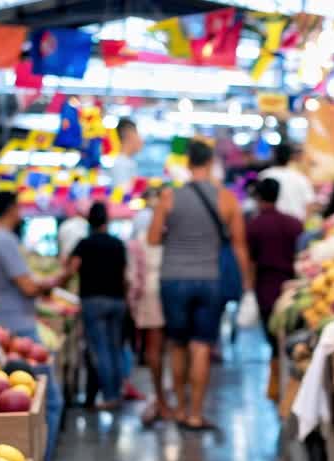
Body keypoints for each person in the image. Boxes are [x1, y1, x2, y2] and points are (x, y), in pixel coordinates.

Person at [147, 139, 253, 431]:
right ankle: (195, 413)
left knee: (177, 345)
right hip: (210, 278)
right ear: (210, 163)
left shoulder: (169, 197)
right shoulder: (227, 198)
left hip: (172, 278)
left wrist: (177, 237)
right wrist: (246, 282)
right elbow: (240, 245)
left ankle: (179, 409)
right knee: (201, 346)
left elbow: (153, 238)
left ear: (187, 163)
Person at [0, 191, 66, 461]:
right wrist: (58, 279)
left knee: (14, 405)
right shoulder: (4, 240)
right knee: (50, 401)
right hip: (18, 329)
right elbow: (28, 286)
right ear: (12, 209)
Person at [67, 203, 129, 410]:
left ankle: (109, 396)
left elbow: (72, 269)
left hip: (93, 300)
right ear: (107, 220)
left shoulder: (84, 244)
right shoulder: (118, 244)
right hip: (117, 300)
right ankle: (118, 392)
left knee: (100, 349)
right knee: (115, 348)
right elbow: (125, 275)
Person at [247, 178, 303, 401]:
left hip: (265, 286)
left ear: (259, 198)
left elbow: (250, 261)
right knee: (290, 337)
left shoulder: (255, 226)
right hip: (290, 287)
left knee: (271, 337)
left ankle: (275, 388)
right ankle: (286, 390)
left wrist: (249, 288)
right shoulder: (294, 223)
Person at [127, 190, 170, 424]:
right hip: (169, 293)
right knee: (172, 347)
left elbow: (133, 277)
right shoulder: (170, 238)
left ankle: (161, 397)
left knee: (154, 348)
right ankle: (165, 399)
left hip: (149, 297)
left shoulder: (140, 241)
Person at [258, 144, 314, 223]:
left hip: (269, 225)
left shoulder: (263, 176)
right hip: (295, 226)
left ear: (274, 156)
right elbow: (309, 205)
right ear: (291, 157)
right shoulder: (301, 178)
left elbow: (258, 203)